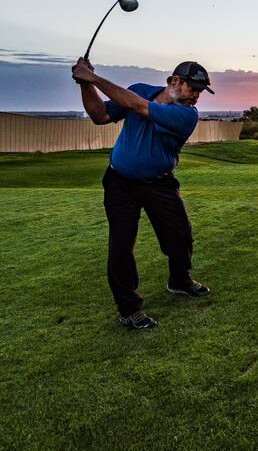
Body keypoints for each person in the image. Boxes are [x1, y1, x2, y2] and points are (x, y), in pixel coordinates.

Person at [72, 58, 215, 330]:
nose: (197, 96)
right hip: (119, 182)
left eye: (200, 91)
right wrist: (84, 84)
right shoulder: (139, 88)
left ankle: (179, 280)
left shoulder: (187, 115)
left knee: (180, 236)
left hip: (158, 183)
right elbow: (100, 115)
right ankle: (129, 309)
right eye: (193, 88)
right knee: (121, 244)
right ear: (175, 81)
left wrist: (93, 78)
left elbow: (136, 106)